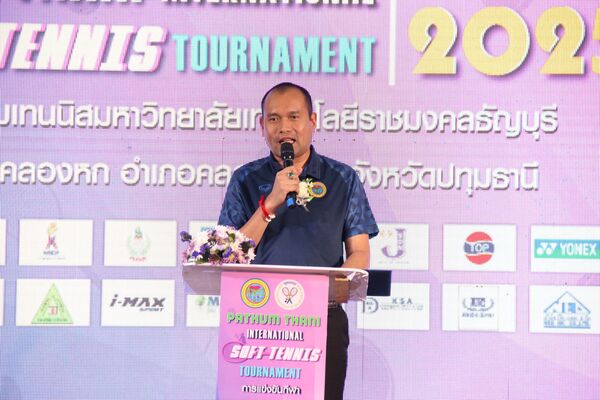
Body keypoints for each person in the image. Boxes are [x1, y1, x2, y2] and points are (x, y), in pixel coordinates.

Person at [218, 82, 378, 400]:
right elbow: (227, 255)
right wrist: (270, 203)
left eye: (294, 117)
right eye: (274, 119)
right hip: (256, 318)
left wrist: (327, 292)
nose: (284, 128)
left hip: (322, 318)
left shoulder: (343, 178)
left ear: (312, 121)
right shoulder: (245, 179)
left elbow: (359, 252)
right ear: (262, 125)